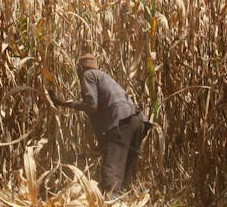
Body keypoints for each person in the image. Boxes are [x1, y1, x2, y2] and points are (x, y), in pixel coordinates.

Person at [48, 53, 150, 197]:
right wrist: (102, 145)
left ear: (80, 68)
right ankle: (124, 206)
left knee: (112, 169)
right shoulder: (105, 78)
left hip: (122, 121)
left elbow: (91, 106)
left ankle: (111, 206)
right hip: (138, 122)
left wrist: (63, 103)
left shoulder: (89, 75)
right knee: (125, 168)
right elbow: (100, 115)